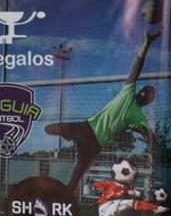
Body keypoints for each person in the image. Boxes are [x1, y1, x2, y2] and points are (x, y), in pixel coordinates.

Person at [45, 28, 162, 193]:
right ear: (140, 92)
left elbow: (150, 137)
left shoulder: (138, 115)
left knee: (77, 175)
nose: (144, 94)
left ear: (147, 100)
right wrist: (147, 43)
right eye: (145, 91)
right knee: (50, 130)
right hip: (87, 131)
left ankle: (65, 196)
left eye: (147, 94)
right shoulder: (128, 94)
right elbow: (138, 66)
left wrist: (147, 134)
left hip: (94, 141)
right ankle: (67, 140)